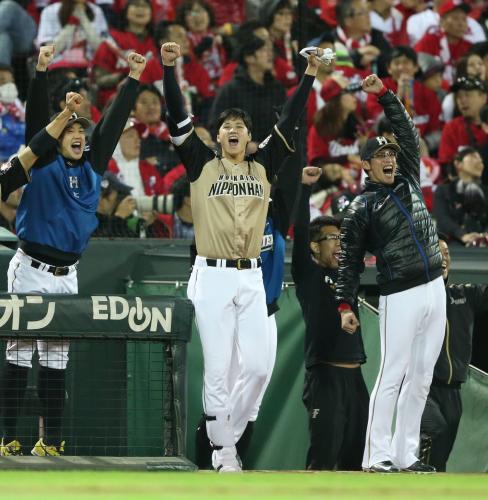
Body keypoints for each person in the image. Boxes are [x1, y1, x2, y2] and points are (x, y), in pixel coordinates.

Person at [161, 40, 325, 472]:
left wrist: (308, 75)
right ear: (217, 135)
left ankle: (223, 436)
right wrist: (169, 68)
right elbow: (177, 116)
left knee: (255, 369)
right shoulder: (201, 163)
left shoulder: (263, 167)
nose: (233, 129)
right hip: (211, 273)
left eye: (241, 126)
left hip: (251, 276)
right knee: (217, 368)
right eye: (227, 125)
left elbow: (289, 122)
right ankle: (224, 453)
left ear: (250, 138)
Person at [0, 46, 146, 457]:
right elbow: (37, 123)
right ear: (57, 136)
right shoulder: (42, 160)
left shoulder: (92, 166)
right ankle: (7, 436)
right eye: (71, 130)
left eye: (82, 130)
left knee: (56, 360)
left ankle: (51, 440)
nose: (79, 135)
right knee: (19, 352)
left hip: (68, 274)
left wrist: (133, 79)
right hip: (30, 268)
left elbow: (112, 126)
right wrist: (41, 70)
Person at [335, 74, 446, 473]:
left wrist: (384, 94)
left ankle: (406, 455)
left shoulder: (410, 178)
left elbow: (408, 133)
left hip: (435, 287)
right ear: (365, 164)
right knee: (392, 373)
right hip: (400, 292)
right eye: (380, 155)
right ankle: (377, 455)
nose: (389, 158)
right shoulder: (361, 206)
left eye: (391, 154)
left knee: (421, 378)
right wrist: (345, 303)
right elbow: (347, 258)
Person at [292, 166, 368, 471]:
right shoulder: (309, 274)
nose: (339, 244)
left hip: (356, 379)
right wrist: (304, 190)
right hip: (325, 377)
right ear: (314, 246)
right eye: (332, 238)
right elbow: (298, 233)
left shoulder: (347, 277)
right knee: (323, 457)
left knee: (354, 460)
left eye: (342, 238)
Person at [420, 234, 488, 471]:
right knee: (433, 429)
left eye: (447, 253)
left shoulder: (464, 294)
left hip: (453, 392)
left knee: (441, 457)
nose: (444, 258)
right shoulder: (415, 299)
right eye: (438, 253)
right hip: (425, 387)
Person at [434, 147, 488, 246]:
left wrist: (484, 235)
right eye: (474, 157)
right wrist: (462, 235)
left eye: (481, 160)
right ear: (458, 164)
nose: (479, 163)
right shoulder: (444, 190)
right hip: (452, 244)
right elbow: (443, 218)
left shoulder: (485, 191)